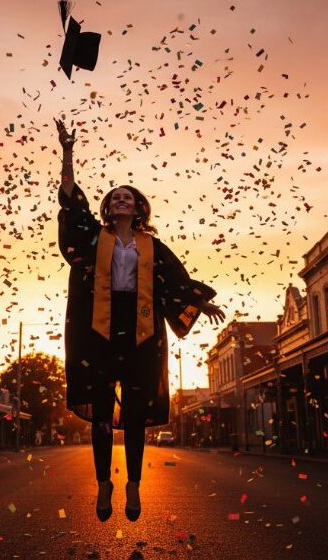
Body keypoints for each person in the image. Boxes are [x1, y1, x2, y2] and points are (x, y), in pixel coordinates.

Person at [54, 118, 226, 522]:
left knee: (133, 414)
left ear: (139, 207)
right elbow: (69, 202)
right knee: (100, 413)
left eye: (127, 197)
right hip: (98, 329)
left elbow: (176, 282)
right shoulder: (94, 238)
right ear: (107, 208)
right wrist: (68, 152)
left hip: (142, 331)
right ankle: (102, 485)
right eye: (114, 197)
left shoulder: (152, 245)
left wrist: (200, 301)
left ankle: (132, 484)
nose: (120, 200)